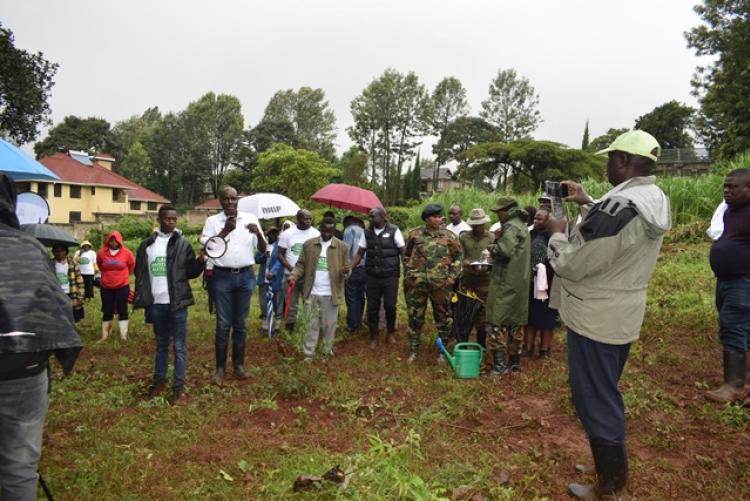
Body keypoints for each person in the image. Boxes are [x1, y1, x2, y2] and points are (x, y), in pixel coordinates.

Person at [546, 130, 671, 499]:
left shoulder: (619, 209)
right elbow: (620, 232)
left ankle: (610, 484)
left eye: (609, 159)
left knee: (594, 396)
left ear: (621, 160)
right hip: (622, 311)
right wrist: (589, 201)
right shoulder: (652, 198)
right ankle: (606, 462)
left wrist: (557, 233)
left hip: (595, 316)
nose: (605, 165)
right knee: (605, 388)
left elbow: (573, 263)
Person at [0, 173, 82, 500]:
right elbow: (55, 306)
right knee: (20, 466)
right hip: (25, 365)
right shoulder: (31, 248)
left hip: (22, 364)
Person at [134, 205, 205, 403]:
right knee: (162, 344)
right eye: (168, 219)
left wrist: (200, 262)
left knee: (180, 346)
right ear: (159, 219)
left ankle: (179, 388)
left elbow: (190, 272)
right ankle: (159, 382)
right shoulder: (146, 245)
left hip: (177, 303)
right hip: (156, 304)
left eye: (175, 219)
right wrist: (144, 298)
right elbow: (140, 274)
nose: (172, 222)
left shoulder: (183, 244)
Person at [201, 186, 266, 383]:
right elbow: (209, 248)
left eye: (233, 199)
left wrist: (258, 235)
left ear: (238, 200)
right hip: (222, 277)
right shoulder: (212, 222)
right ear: (220, 201)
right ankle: (220, 369)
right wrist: (225, 230)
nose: (230, 202)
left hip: (245, 276)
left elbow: (264, 250)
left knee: (241, 324)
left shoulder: (250, 219)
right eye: (226, 199)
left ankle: (238, 365)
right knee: (223, 324)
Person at [705, 168, 750, 402]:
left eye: (733, 187)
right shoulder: (730, 211)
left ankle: (734, 386)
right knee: (744, 331)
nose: (727, 190)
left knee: (733, 328)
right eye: (726, 186)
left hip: (743, 282)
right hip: (726, 281)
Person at [403, 203, 462, 363]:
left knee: (443, 317)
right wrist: (410, 273)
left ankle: (443, 351)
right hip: (417, 285)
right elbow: (406, 255)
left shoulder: (450, 236)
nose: (439, 219)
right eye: (435, 217)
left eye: (439, 216)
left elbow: (459, 258)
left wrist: (452, 277)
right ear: (427, 219)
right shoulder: (415, 235)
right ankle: (414, 350)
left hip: (441, 285)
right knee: (415, 317)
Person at [289, 218, 350, 361]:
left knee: (329, 325)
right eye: (324, 231)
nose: (327, 234)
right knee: (311, 324)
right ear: (320, 229)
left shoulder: (342, 247)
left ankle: (326, 352)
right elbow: (301, 265)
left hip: (331, 293)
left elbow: (347, 269)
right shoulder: (309, 245)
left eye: (330, 231)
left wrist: (346, 271)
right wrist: (293, 276)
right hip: (312, 292)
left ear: (334, 231)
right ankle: (308, 353)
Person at [485, 197, 531, 375]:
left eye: (498, 213)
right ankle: (515, 363)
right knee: (515, 323)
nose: (498, 216)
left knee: (495, 323)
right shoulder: (522, 225)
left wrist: (492, 245)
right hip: (519, 283)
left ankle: (499, 367)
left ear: (504, 211)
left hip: (504, 282)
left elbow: (504, 250)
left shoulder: (510, 226)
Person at [351, 207, 405, 346]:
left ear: (383, 217)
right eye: (369, 216)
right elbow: (360, 253)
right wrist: (350, 267)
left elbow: (403, 252)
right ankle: (374, 336)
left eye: (373, 216)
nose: (370, 219)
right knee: (372, 307)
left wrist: (409, 270)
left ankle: (391, 332)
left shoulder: (394, 230)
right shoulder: (367, 232)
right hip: (372, 276)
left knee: (390, 306)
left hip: (390, 276)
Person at [523, 209, 559, 359]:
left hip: (548, 284)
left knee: (546, 319)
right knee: (530, 317)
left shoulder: (554, 238)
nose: (536, 221)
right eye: (535, 219)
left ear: (548, 221)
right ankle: (528, 347)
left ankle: (544, 349)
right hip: (531, 283)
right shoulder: (529, 235)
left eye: (540, 219)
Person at [277, 209, 320, 332]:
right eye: (305, 218)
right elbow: (279, 254)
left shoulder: (316, 233)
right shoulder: (288, 233)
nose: (308, 221)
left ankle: (308, 331)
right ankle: (289, 331)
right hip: (290, 276)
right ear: (298, 219)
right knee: (291, 305)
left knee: (309, 304)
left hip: (309, 277)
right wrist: (293, 270)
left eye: (310, 218)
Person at [456, 208, 493, 347]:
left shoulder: (491, 237)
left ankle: (481, 346)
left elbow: (495, 256)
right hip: (468, 282)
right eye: (475, 225)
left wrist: (490, 261)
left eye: (480, 224)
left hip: (486, 282)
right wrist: (463, 262)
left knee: (483, 318)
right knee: (466, 314)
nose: (477, 227)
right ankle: (463, 345)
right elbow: (459, 256)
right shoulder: (464, 237)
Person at [96, 229, 136, 341]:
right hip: (106, 286)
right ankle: (105, 335)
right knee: (107, 310)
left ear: (120, 241)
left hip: (122, 286)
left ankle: (124, 336)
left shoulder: (127, 253)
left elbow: (132, 266)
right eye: (111, 241)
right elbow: (100, 265)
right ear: (108, 241)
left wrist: (123, 276)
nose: (113, 243)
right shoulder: (101, 253)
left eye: (116, 241)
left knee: (123, 309)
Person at [343, 215, 367, 335]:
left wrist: (346, 273)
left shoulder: (349, 230)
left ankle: (352, 326)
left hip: (353, 268)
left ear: (347, 223)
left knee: (351, 297)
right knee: (361, 296)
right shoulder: (364, 231)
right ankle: (359, 322)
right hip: (365, 269)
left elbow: (346, 252)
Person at [52, 243, 85, 323]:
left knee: (72, 316)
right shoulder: (51, 264)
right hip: (57, 294)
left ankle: (72, 331)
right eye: (57, 251)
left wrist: (80, 295)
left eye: (61, 251)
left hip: (70, 293)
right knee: (58, 316)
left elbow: (79, 279)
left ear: (66, 252)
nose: (59, 253)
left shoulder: (72, 263)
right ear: (53, 252)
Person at [256, 226, 280, 331]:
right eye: (270, 233)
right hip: (263, 278)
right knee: (263, 301)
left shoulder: (280, 246)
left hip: (275, 278)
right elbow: (256, 259)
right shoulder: (263, 246)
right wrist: (264, 257)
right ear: (267, 234)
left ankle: (277, 323)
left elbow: (281, 260)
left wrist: (273, 272)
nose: (273, 235)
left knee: (277, 301)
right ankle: (265, 323)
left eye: (275, 233)